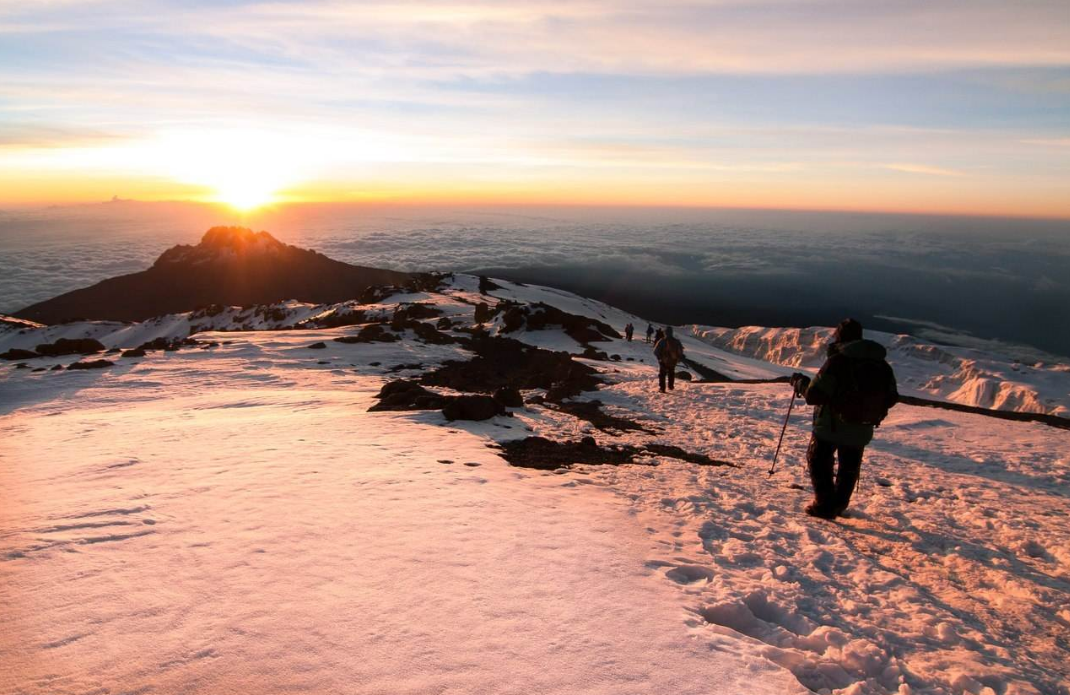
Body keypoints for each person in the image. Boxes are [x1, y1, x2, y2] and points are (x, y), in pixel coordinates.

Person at [790, 319, 898, 519]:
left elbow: (814, 395)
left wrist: (800, 384)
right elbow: (892, 397)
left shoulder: (838, 361)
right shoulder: (881, 365)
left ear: (839, 336)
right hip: (862, 427)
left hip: (829, 425)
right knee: (849, 465)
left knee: (819, 461)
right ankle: (839, 505)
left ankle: (824, 506)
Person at [653, 326, 684, 393]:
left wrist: (660, 358)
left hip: (663, 361)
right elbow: (680, 352)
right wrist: (678, 358)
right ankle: (671, 386)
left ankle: (662, 388)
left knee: (662, 374)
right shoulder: (676, 341)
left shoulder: (662, 341)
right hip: (673, 361)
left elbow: (655, 351)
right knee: (671, 373)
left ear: (665, 332)